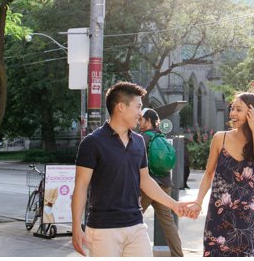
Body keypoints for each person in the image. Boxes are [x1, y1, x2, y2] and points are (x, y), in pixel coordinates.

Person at [71, 82, 197, 257]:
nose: (140, 113)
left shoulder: (139, 141)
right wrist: (76, 226)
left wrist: (174, 205)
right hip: (103, 228)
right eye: (138, 107)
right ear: (121, 107)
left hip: (136, 225)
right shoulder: (92, 142)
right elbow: (81, 186)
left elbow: (145, 181)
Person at [191, 92, 254, 256]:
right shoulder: (219, 138)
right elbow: (208, 174)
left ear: (252, 113)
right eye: (232, 109)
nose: (232, 114)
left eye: (238, 110)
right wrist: (198, 202)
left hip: (248, 219)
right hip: (219, 216)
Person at [139, 107, 183, 257]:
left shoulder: (142, 138)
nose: (139, 122)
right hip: (164, 185)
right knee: (168, 223)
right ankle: (178, 255)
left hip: (147, 186)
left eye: (141, 119)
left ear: (149, 121)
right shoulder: (162, 138)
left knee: (132, 219)